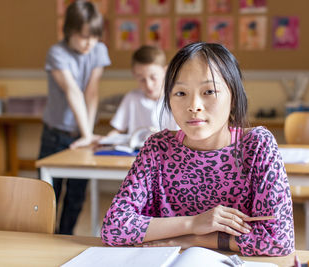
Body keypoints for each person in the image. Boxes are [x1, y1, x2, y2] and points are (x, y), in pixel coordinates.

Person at [101, 42, 294, 256]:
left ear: (233, 96)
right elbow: (114, 227)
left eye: (209, 91)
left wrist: (194, 240)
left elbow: (278, 239)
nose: (194, 105)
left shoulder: (257, 145)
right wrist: (193, 224)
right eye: (181, 93)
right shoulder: (157, 147)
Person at [38, 0, 110, 235]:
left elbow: (91, 92)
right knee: (49, 194)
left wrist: (86, 135)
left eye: (94, 36)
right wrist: (87, 135)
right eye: (83, 36)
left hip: (81, 134)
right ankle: (44, 239)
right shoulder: (56, 52)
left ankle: (63, 238)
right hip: (55, 134)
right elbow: (73, 92)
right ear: (69, 31)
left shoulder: (98, 50)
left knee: (77, 196)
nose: (89, 42)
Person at [107, 45, 178, 137]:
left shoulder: (177, 98)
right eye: (141, 79)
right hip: (138, 150)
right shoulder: (132, 98)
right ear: (134, 74)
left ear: (165, 71)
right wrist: (105, 141)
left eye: (153, 78)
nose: (148, 85)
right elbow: (117, 130)